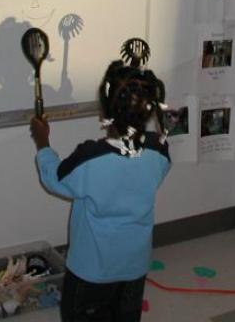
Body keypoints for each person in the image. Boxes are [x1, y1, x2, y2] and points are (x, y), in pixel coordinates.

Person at [29, 59, 171, 322]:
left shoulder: (90, 157)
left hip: (90, 273)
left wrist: (43, 142)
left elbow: (54, 178)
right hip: (134, 268)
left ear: (105, 112)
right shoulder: (159, 151)